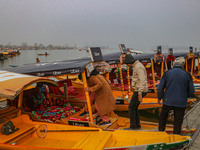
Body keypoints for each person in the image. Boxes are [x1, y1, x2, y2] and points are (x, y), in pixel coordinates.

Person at [157, 57, 195, 134]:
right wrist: (185, 96)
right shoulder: (187, 74)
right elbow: (192, 91)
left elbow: (160, 87)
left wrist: (159, 97)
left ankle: (160, 132)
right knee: (178, 120)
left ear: (173, 64)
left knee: (163, 116)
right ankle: (176, 136)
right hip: (181, 102)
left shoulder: (167, 73)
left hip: (168, 100)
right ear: (183, 64)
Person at [124, 54, 148, 130]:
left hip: (139, 90)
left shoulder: (138, 67)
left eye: (127, 64)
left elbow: (142, 80)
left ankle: (133, 126)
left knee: (131, 107)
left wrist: (140, 93)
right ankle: (137, 125)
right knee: (134, 107)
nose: (127, 65)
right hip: (138, 89)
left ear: (129, 62)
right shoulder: (136, 66)